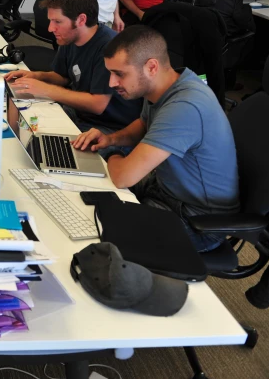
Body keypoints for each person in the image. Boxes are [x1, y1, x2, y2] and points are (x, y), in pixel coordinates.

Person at [72, 26, 239, 252]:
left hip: (197, 221)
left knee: (95, 233)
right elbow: (143, 125)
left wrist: (112, 152)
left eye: (119, 74)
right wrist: (110, 140)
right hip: (165, 190)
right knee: (82, 186)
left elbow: (123, 177)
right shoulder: (164, 84)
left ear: (151, 66)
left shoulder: (185, 106)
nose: (111, 83)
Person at [4, 0, 141, 157]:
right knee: (29, 125)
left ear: (81, 20)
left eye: (57, 22)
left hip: (110, 129)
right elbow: (63, 77)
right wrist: (37, 76)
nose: (50, 28)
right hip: (81, 115)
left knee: (52, 153)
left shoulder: (109, 47)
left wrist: (46, 90)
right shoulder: (70, 38)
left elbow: (97, 104)